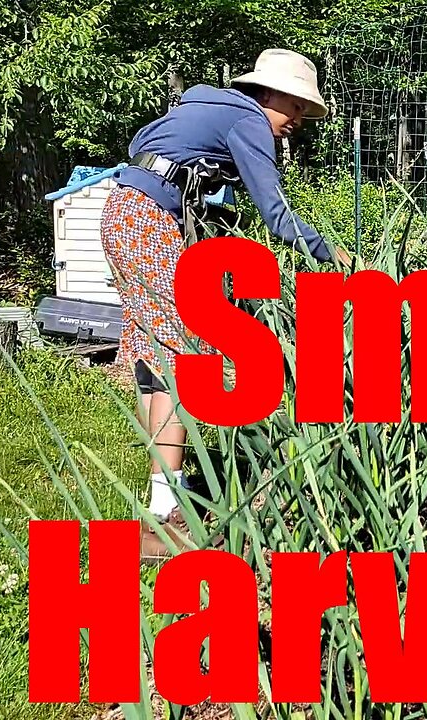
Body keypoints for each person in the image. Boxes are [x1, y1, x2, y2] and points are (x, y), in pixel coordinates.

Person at [99, 48, 352, 564]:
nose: (296, 122)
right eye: (297, 107)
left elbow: (143, 147)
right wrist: (333, 254)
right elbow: (277, 215)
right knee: (182, 361)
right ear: (269, 93)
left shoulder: (205, 105)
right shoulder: (249, 121)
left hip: (121, 213)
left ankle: (162, 502)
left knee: (154, 361)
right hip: (148, 223)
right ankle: (165, 518)